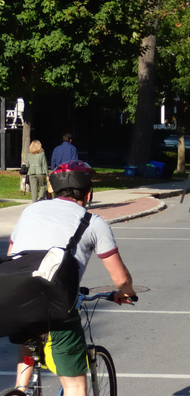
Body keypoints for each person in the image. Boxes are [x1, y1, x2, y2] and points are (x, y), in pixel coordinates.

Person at [7, 161, 136, 396]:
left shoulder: (30, 211)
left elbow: (12, 256)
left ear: (54, 190)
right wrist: (126, 292)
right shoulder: (93, 222)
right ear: (88, 193)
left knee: (29, 333)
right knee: (75, 386)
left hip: (14, 299)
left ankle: (20, 389)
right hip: (55, 306)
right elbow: (120, 277)